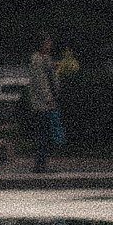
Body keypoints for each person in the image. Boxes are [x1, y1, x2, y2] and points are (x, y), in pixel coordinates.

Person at [26, 31, 64, 173]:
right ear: (41, 43)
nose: (50, 44)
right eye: (47, 42)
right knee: (42, 134)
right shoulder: (36, 60)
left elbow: (52, 80)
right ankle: (40, 164)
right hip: (42, 104)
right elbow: (41, 83)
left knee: (46, 134)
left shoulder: (46, 59)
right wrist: (49, 99)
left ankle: (42, 163)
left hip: (48, 102)